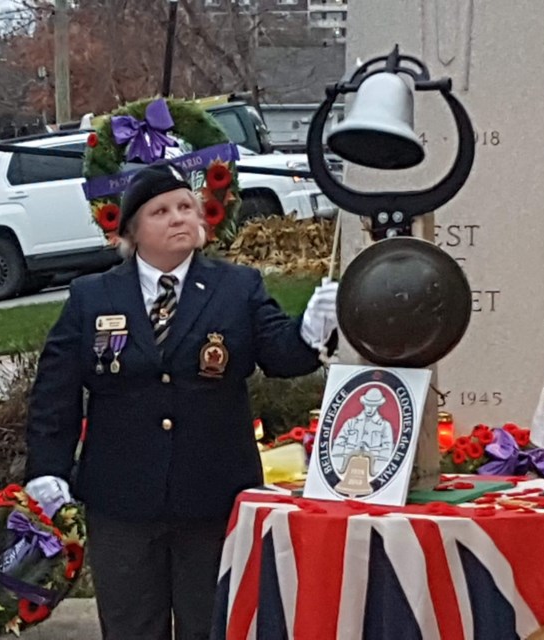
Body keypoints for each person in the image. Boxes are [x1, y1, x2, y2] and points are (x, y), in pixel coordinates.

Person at [23, 161, 339, 640]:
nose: (178, 218)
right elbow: (56, 390)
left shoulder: (237, 287)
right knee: (131, 626)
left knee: (211, 624)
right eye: (161, 211)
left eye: (186, 207)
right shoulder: (93, 295)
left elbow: (281, 357)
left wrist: (312, 330)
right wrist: (47, 467)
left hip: (213, 494)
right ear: (132, 230)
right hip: (122, 500)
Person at [331, 387, 395, 475]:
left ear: (378, 406)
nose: (370, 408)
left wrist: (377, 470)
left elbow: (387, 449)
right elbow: (339, 443)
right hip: (346, 467)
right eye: (368, 404)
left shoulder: (384, 426)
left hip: (372, 469)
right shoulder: (351, 423)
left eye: (373, 405)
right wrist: (338, 466)